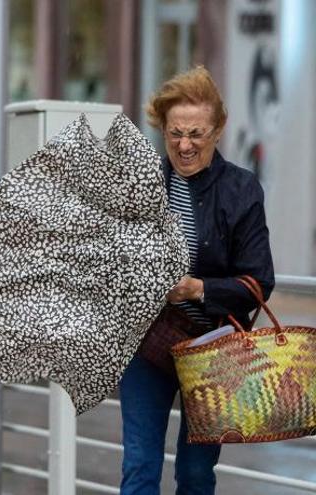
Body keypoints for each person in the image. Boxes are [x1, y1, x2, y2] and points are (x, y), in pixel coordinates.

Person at [119, 65, 274, 494]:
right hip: (147, 342)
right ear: (162, 129)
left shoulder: (241, 191)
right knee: (138, 467)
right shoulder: (143, 185)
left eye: (196, 134)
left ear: (218, 129)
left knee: (194, 474)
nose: (184, 146)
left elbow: (260, 282)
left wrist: (198, 289)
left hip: (214, 351)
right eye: (174, 134)